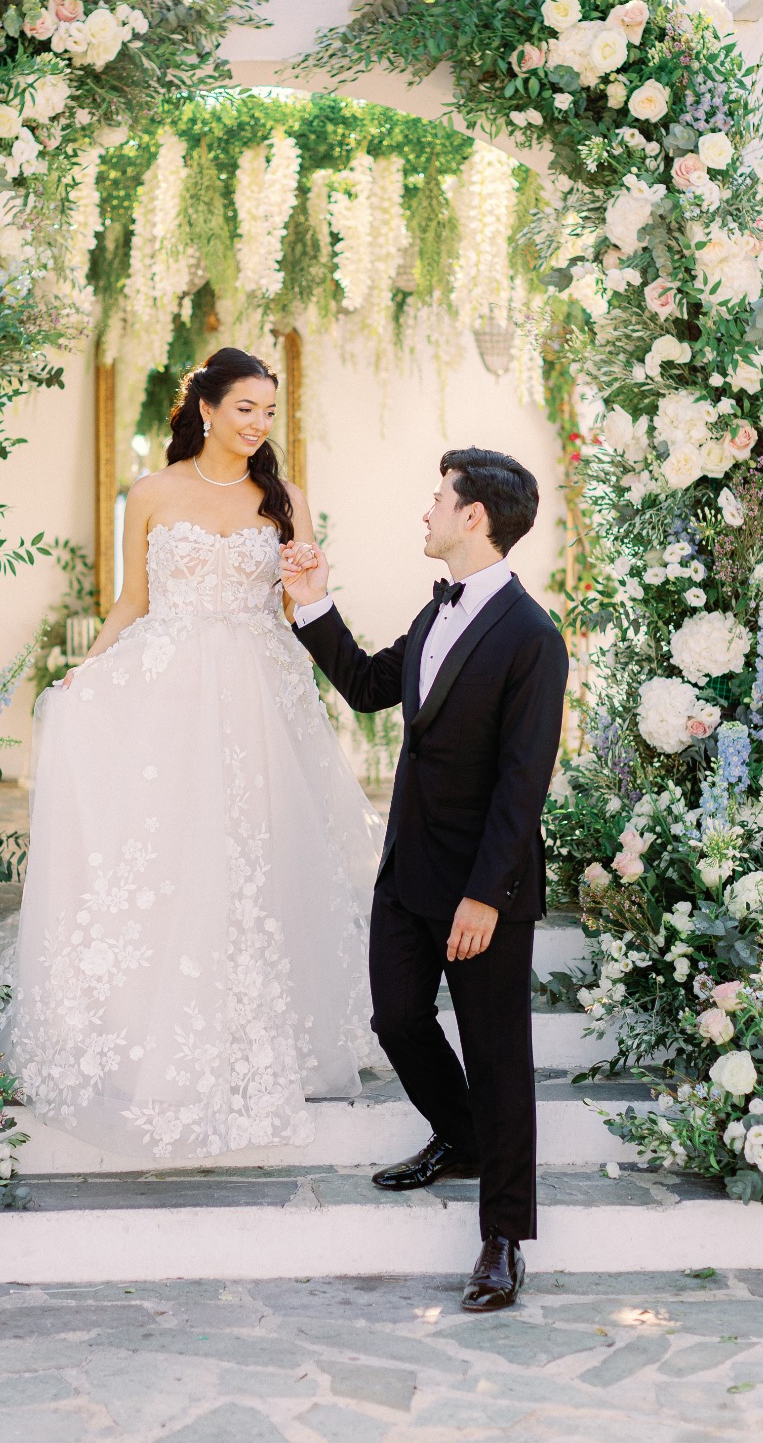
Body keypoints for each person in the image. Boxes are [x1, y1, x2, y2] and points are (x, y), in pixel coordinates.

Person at [0, 347, 381, 1163]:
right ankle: (150, 1042)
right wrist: (83, 677)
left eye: (269, 412)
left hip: (254, 698)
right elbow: (133, 600)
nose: (258, 425)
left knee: (252, 863)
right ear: (205, 408)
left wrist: (310, 576)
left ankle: (259, 1041)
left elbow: (302, 601)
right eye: (246, 408)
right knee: (165, 859)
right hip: (164, 697)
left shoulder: (283, 501)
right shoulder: (151, 493)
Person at [281, 449, 568, 1312]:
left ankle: (503, 1241)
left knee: (499, 1057)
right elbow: (370, 685)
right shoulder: (433, 611)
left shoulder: (533, 638)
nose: (427, 511)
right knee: (397, 1018)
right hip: (408, 869)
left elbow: (525, 783)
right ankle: (464, 1136)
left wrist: (486, 895)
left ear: (474, 517)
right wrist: (312, 597)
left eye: (438, 498)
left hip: (486, 887)